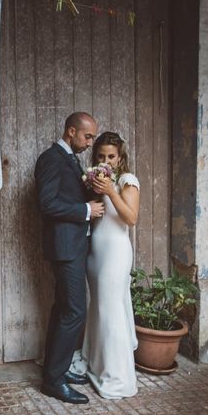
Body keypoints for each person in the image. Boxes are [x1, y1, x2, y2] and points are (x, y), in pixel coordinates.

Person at [34, 112, 104, 404]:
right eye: (87, 136)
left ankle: (56, 370)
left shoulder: (71, 160)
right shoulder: (51, 158)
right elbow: (47, 204)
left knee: (62, 309)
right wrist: (86, 210)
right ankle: (53, 381)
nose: (90, 142)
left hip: (73, 246)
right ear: (71, 131)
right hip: (65, 248)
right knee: (75, 311)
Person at [70, 131, 141, 399]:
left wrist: (111, 190)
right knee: (99, 309)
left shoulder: (126, 181)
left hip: (115, 253)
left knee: (111, 311)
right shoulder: (95, 181)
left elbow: (130, 218)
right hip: (95, 253)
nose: (106, 160)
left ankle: (118, 378)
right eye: (101, 156)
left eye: (111, 156)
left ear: (120, 157)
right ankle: (97, 363)